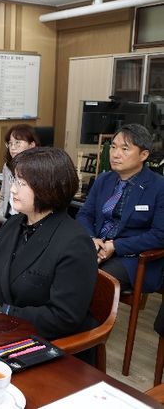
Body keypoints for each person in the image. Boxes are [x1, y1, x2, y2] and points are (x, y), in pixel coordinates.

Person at [0, 147, 98, 340]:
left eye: (22, 183)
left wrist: (3, 311)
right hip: (2, 327)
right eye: (14, 181)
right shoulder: (12, 224)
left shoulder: (75, 243)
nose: (13, 189)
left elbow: (64, 317)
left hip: (45, 340)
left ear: (48, 188)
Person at [77, 124, 164, 293]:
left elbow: (159, 235)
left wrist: (116, 246)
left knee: (93, 282)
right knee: (58, 268)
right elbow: (85, 214)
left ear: (144, 155)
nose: (116, 154)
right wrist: (92, 238)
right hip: (97, 247)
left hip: (132, 258)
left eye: (125, 149)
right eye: (113, 147)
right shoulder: (103, 179)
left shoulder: (158, 187)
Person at [0, 124, 39, 278]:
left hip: (24, 219)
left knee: (0, 244)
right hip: (7, 218)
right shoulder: (7, 167)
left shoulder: (38, 169)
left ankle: (0, 278)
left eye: (18, 143)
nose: (13, 147)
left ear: (32, 145)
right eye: (10, 143)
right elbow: (4, 196)